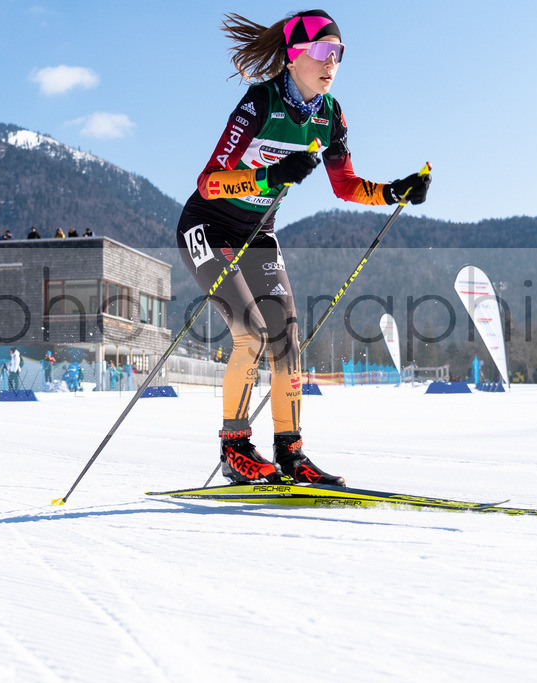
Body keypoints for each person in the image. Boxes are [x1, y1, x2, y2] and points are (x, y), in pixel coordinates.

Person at [178, 10, 430, 486]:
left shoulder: (330, 114)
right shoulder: (261, 101)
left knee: (288, 345)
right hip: (208, 227)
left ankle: (290, 453)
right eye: (321, 51)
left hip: (258, 234)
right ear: (294, 57)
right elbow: (209, 182)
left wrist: (394, 190)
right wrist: (270, 176)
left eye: (338, 53)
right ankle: (236, 449)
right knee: (250, 336)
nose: (330, 62)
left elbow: (346, 185)